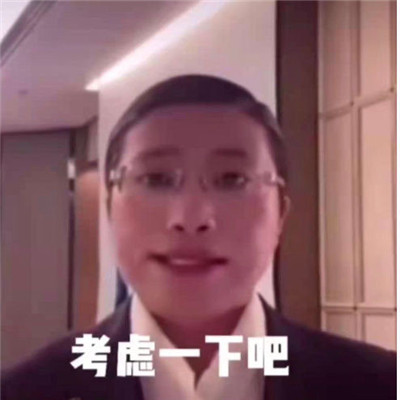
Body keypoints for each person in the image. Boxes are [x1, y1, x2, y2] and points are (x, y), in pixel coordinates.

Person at [2, 75, 396, 400]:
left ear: (280, 215)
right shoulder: (26, 391)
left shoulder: (380, 385)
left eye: (232, 179)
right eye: (156, 179)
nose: (190, 219)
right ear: (110, 209)